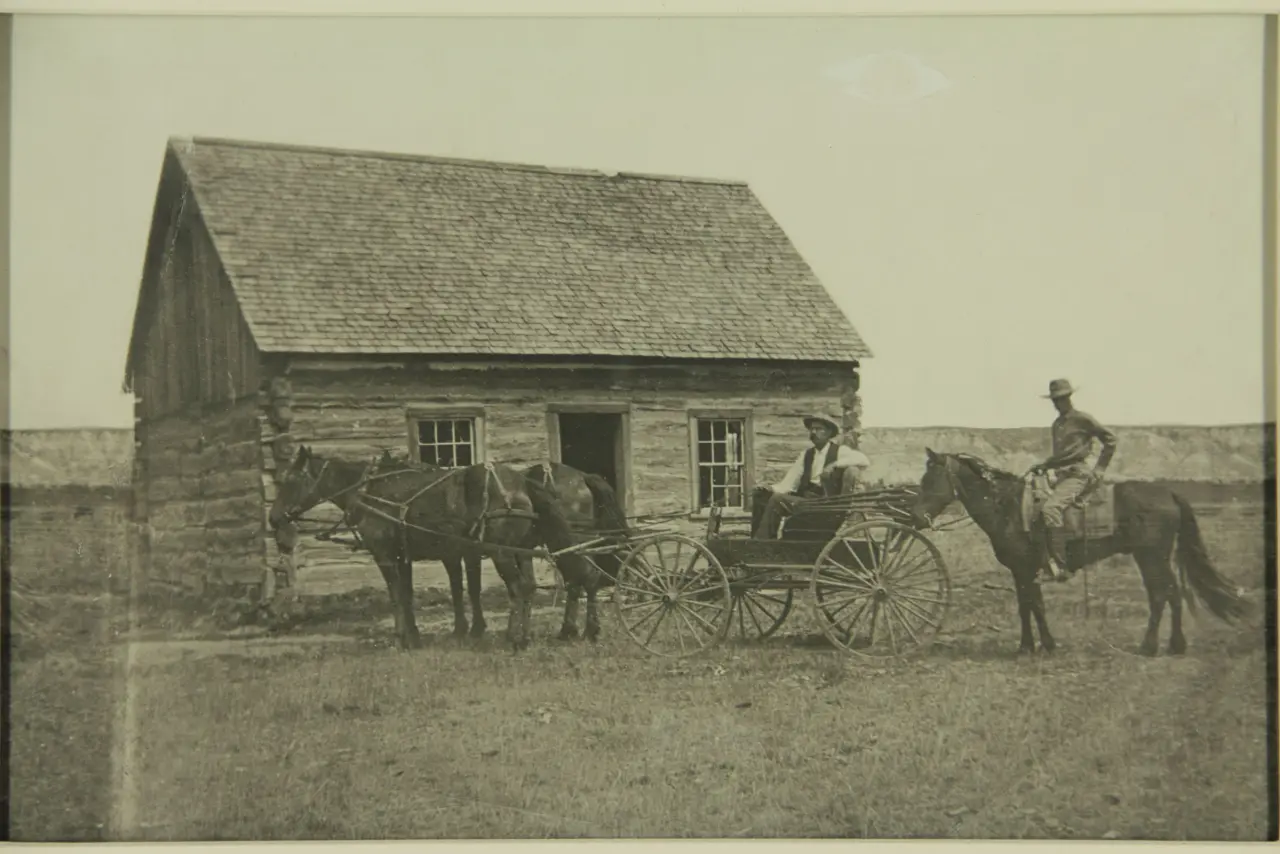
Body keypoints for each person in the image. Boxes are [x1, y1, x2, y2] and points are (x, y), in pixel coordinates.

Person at [1027, 378, 1118, 582]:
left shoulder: (1082, 419)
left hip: (1078, 474)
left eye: (1062, 398)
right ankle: (1044, 559)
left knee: (1051, 508)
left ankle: (1061, 566)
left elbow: (1110, 439)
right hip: (1059, 474)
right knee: (1033, 503)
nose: (1058, 403)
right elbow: (1062, 456)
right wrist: (1044, 465)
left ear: (1069, 397)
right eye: (1055, 399)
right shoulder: (1057, 425)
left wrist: (1101, 467)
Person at [752, 415, 872, 540]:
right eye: (811, 429)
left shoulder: (840, 451)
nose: (813, 432)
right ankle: (758, 541)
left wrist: (834, 465)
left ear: (829, 432)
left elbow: (864, 460)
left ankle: (763, 543)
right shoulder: (806, 455)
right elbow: (789, 483)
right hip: (807, 500)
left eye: (819, 429)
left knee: (778, 501)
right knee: (762, 496)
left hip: (825, 503)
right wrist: (770, 488)